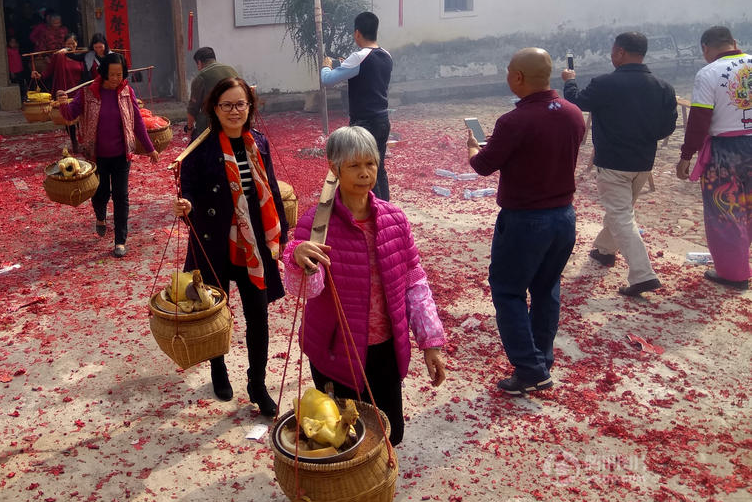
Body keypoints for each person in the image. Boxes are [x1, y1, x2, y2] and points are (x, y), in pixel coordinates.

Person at [284, 126, 446, 445]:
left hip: (385, 347)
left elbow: (414, 284)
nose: (365, 173)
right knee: (342, 441)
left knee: (390, 433)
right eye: (354, 165)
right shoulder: (315, 223)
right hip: (335, 352)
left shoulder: (394, 219)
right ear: (335, 169)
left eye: (370, 164)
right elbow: (306, 289)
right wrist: (296, 256)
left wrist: (431, 343)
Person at [467, 48, 585, 395]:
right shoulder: (573, 113)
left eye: (508, 71)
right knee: (547, 289)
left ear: (518, 77)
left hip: (525, 220)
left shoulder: (513, 122)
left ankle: (530, 370)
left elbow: (484, 165)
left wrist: (474, 147)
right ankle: (541, 360)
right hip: (563, 216)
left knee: (508, 292)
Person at [173, 77, 288, 416]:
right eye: (227, 105)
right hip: (216, 239)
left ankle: (257, 383)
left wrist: (281, 235)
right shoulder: (201, 147)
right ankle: (218, 368)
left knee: (259, 316)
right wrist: (187, 206)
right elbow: (189, 189)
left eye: (241, 104)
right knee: (216, 313)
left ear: (250, 107)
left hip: (253, 243)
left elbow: (271, 193)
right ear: (215, 109)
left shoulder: (260, 144)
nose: (235, 111)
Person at [562, 33, 678, 296]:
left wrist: (569, 82)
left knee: (622, 215)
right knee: (621, 210)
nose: (612, 56)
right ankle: (604, 250)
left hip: (614, 161)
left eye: (614, 51)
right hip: (643, 161)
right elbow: (668, 127)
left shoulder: (606, 84)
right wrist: (643, 135)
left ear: (622, 53)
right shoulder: (663, 87)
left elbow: (576, 102)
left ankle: (642, 274)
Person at [57, 53, 159, 257]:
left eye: (119, 74)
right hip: (97, 155)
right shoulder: (87, 93)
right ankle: (100, 216)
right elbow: (70, 115)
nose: (115, 79)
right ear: (103, 72)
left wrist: (150, 148)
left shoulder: (126, 92)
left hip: (122, 154)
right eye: (111, 74)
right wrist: (62, 103)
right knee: (101, 192)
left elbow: (137, 121)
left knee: (121, 196)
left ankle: (120, 241)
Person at [676, 26, 752, 291]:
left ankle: (734, 273)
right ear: (733, 42)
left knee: (726, 210)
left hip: (725, 152)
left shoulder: (708, 73)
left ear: (705, 49)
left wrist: (686, 155)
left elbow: (699, 120)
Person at [321, 12, 393, 200]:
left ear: (357, 33)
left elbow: (327, 80)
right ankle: (387, 210)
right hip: (383, 120)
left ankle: (374, 211)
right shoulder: (386, 56)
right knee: (379, 168)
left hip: (364, 123)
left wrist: (327, 65)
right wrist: (348, 65)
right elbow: (369, 77)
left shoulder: (359, 57)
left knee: (364, 170)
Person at [186, 47, 238, 140]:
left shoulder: (201, 77)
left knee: (194, 145)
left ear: (199, 62)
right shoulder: (231, 70)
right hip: (235, 120)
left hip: (212, 127)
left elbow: (193, 109)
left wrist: (189, 129)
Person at [49, 34, 87, 153]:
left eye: (73, 43)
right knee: (68, 117)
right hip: (65, 91)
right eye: (68, 44)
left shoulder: (82, 57)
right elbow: (49, 70)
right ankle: (74, 141)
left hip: (79, 90)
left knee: (81, 117)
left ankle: (83, 140)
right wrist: (38, 75)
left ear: (77, 44)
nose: (71, 46)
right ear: (64, 44)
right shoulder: (60, 56)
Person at [7, 36, 28, 102]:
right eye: (11, 42)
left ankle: (23, 98)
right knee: (16, 85)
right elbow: (9, 62)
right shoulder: (8, 51)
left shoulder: (18, 50)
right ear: (8, 43)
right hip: (14, 71)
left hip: (20, 70)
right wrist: (11, 71)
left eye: (14, 42)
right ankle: (17, 99)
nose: (13, 44)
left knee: (22, 85)